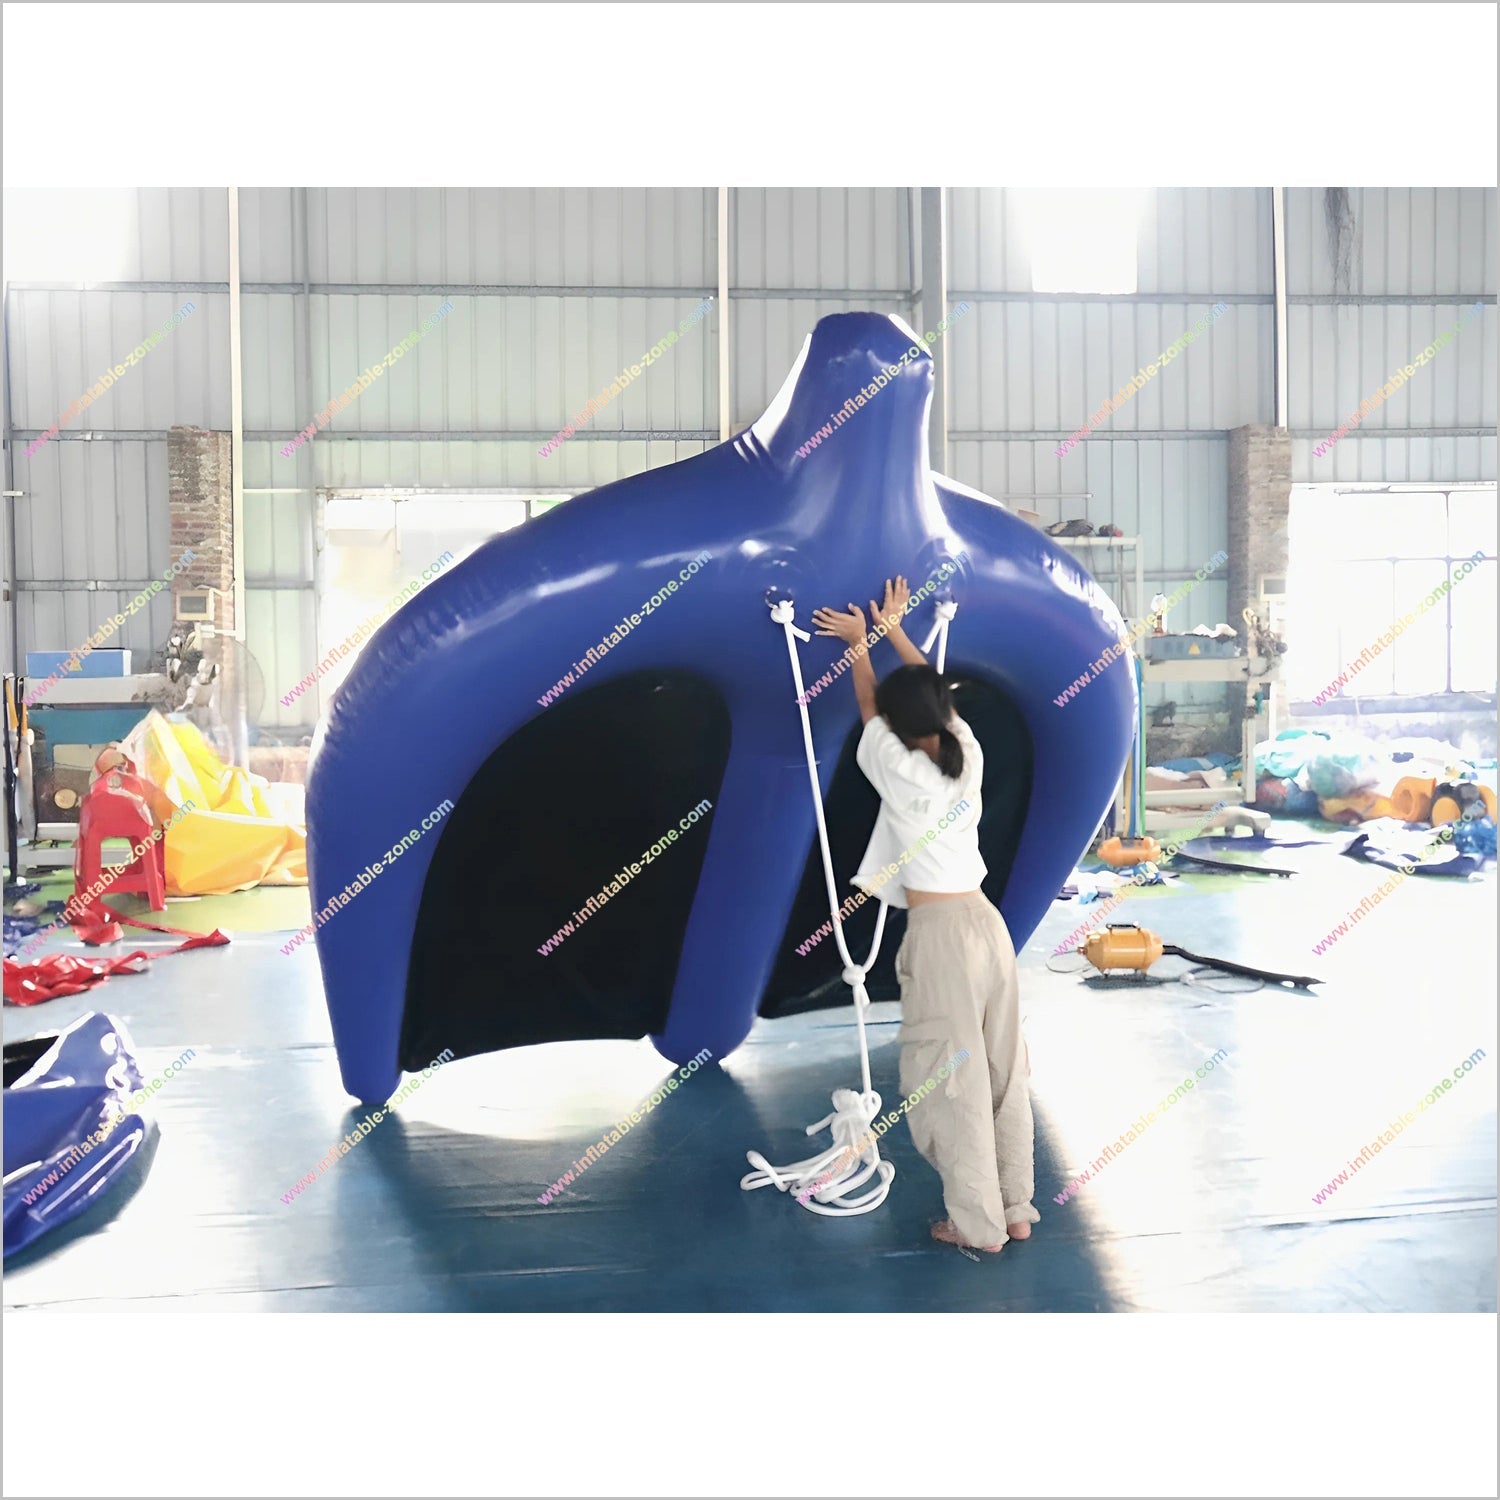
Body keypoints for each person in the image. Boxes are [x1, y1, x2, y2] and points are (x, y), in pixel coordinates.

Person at [811, 576, 1038, 1254]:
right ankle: (1015, 1208)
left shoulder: (902, 770)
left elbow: (869, 708)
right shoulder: (965, 754)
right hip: (987, 926)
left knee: (949, 1076)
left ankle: (977, 1225)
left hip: (942, 936)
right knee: (1002, 1068)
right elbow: (928, 697)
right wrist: (892, 632)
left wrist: (859, 644)